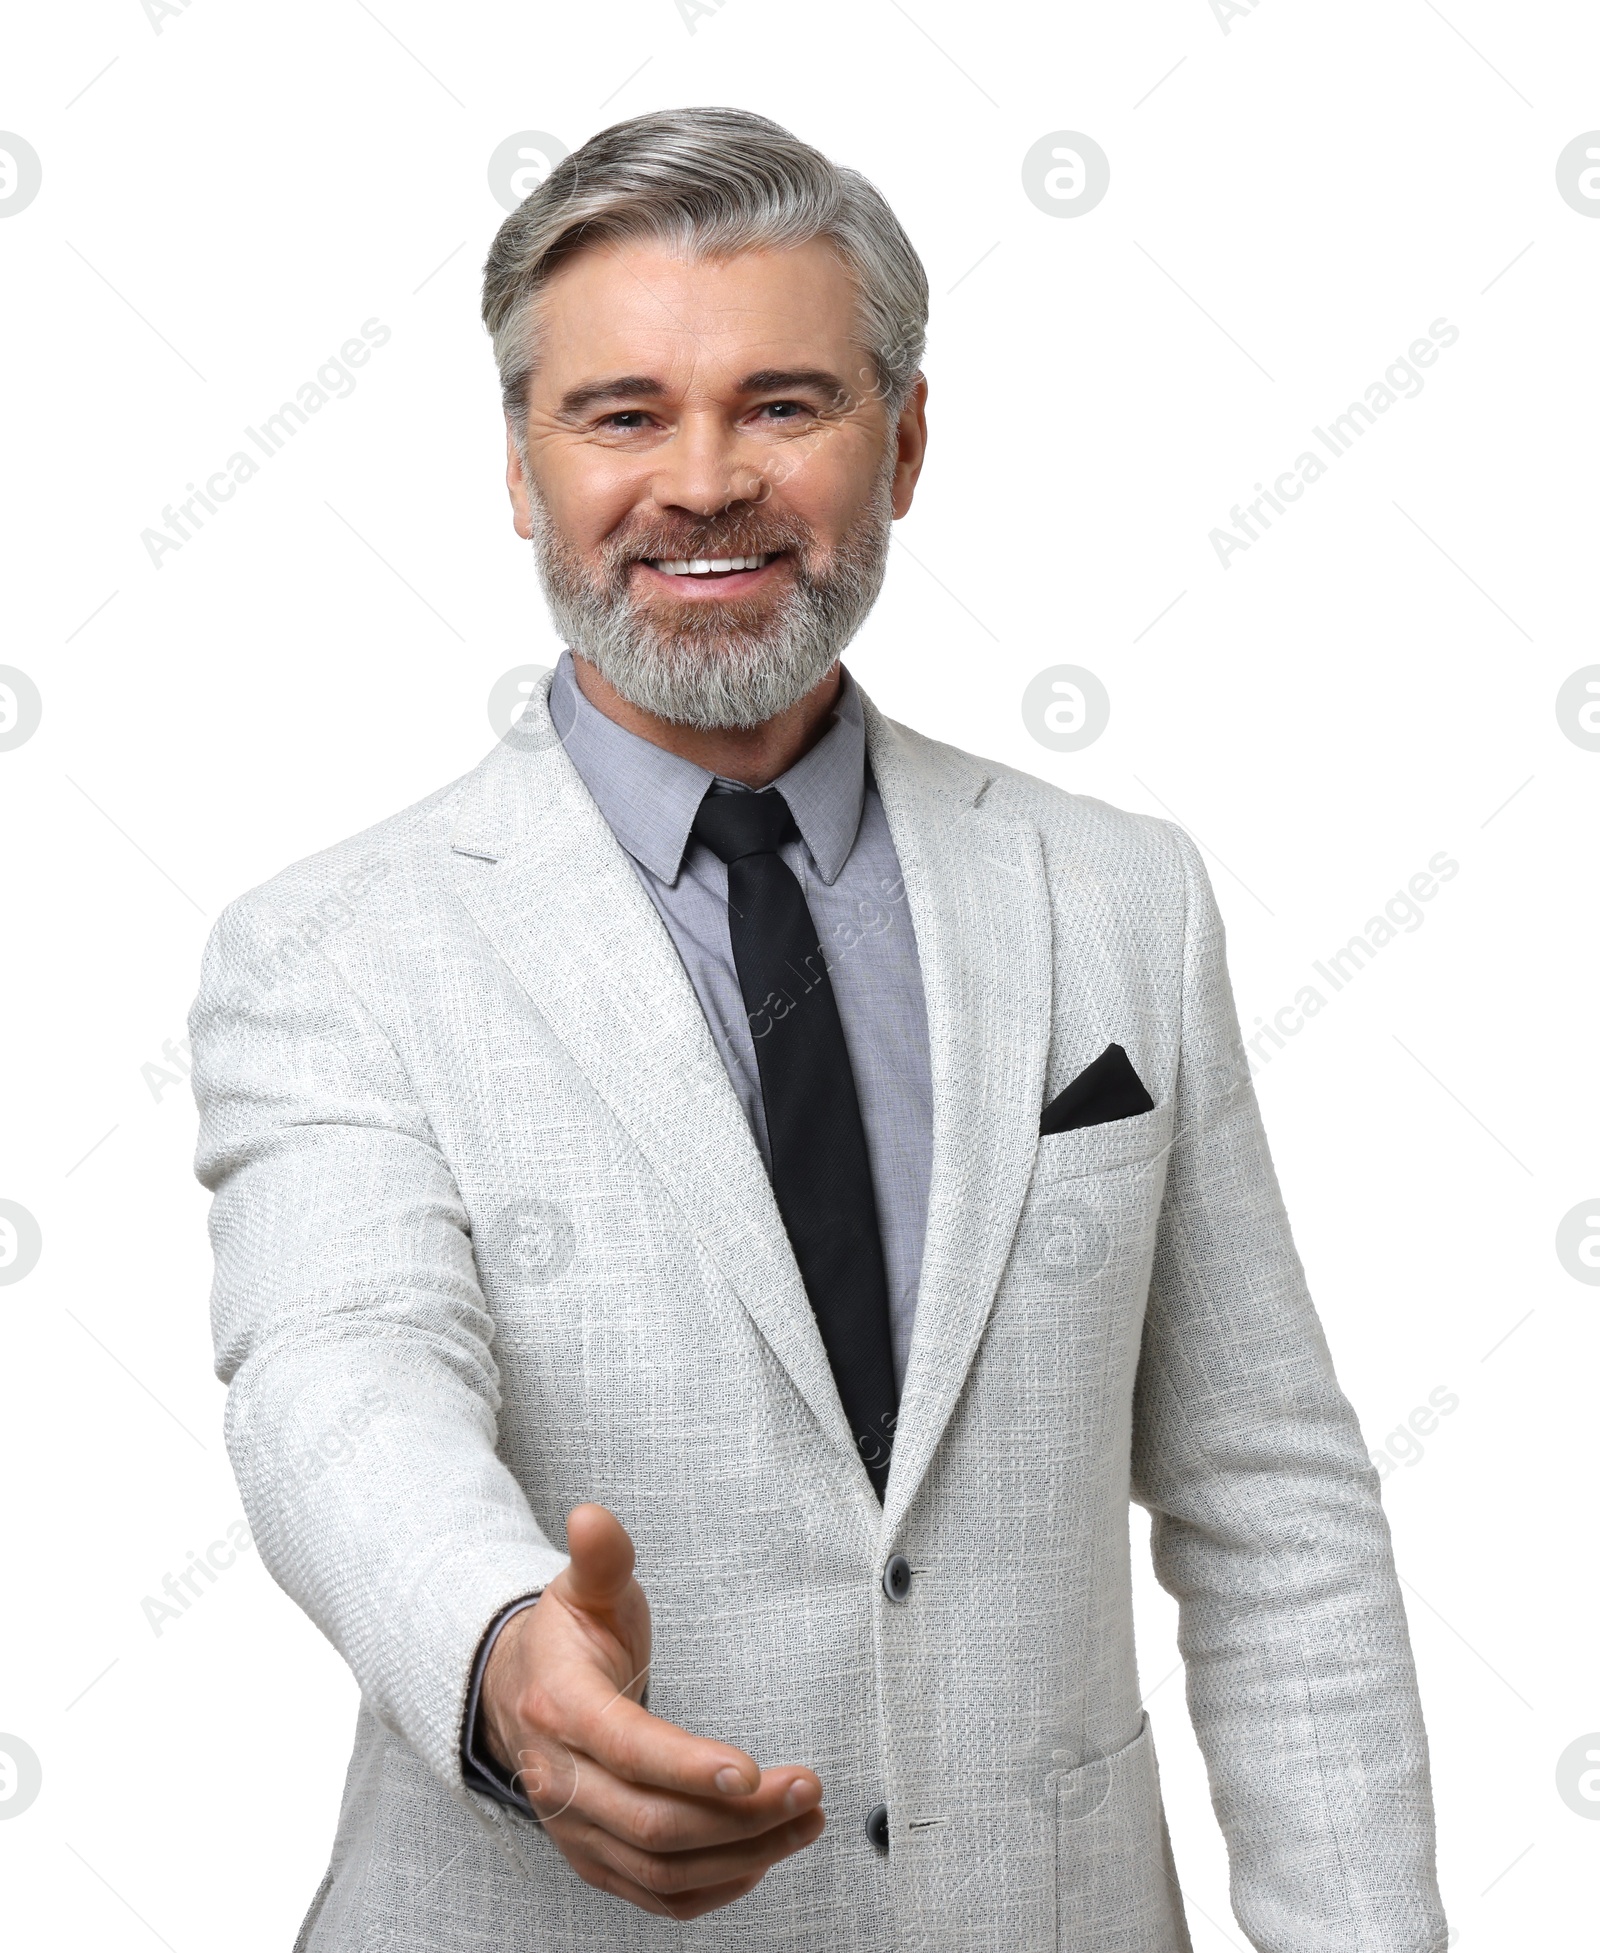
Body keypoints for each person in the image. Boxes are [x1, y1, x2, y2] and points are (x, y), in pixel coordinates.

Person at [189, 106, 1447, 1952]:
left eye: (783, 405)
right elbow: (334, 1380)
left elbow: (1273, 1500)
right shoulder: (335, 946)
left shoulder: (1118, 898)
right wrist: (503, 1651)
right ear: (522, 472)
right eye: (620, 413)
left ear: (906, 441)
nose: (702, 482)